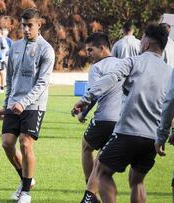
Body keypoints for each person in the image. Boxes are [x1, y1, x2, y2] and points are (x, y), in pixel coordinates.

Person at [72, 24, 171, 203]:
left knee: (101, 172)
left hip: (128, 132)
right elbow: (170, 104)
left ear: (147, 43)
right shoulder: (169, 72)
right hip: (152, 138)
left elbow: (110, 78)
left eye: (142, 39)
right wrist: (166, 133)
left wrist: (86, 99)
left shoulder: (134, 61)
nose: (140, 43)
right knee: (137, 181)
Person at [0, 8, 55, 203]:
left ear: (39, 24)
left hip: (34, 105)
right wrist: (7, 104)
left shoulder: (46, 50)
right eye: (23, 25)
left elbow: (42, 82)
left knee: (25, 143)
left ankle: (26, 193)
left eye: (30, 25)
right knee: (6, 143)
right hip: (14, 103)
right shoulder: (15, 47)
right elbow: (11, 79)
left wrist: (24, 102)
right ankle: (27, 179)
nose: (26, 29)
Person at [72, 33, 123, 203]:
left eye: (90, 50)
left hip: (104, 118)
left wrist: (82, 113)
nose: (88, 54)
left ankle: (89, 194)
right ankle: (92, 195)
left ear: (102, 48)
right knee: (103, 161)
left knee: (86, 146)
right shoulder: (124, 64)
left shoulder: (97, 67)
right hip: (123, 121)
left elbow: (94, 93)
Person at [0, 27, 9, 93]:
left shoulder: (2, 38)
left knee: (1, 73)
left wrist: (1, 55)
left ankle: (2, 87)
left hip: (0, 59)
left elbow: (6, 48)